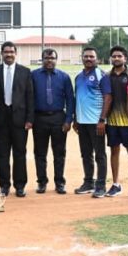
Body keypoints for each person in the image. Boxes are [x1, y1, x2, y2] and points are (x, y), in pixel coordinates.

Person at [0, 41, 34, 198]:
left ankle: (20, 185)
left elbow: (30, 96)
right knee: (1, 154)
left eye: (11, 52)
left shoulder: (25, 72)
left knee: (20, 153)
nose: (9, 54)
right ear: (1, 54)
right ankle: (4, 185)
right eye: (6, 52)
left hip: (20, 120)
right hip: (0, 120)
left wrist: (30, 119)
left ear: (16, 53)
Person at [30, 48, 74, 195]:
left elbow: (70, 99)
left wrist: (68, 120)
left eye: (52, 58)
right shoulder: (33, 75)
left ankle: (59, 182)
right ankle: (42, 182)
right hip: (39, 118)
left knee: (59, 153)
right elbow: (29, 98)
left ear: (56, 59)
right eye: (46, 58)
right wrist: (30, 119)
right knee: (40, 153)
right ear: (42, 59)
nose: (49, 60)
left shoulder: (64, 77)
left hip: (58, 118)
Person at [100, 45, 128, 198]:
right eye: (114, 56)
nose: (116, 58)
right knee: (114, 151)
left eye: (119, 56)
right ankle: (116, 184)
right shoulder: (107, 75)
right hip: (112, 121)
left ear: (125, 58)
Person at [72, 47, 108, 198]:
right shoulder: (79, 77)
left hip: (96, 122)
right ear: (82, 58)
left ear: (96, 59)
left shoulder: (101, 75)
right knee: (86, 154)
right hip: (82, 122)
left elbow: (108, 97)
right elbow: (78, 98)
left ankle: (101, 185)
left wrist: (102, 120)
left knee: (100, 154)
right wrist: (76, 119)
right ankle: (88, 182)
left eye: (91, 57)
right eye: (86, 56)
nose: (88, 59)